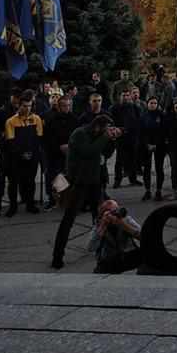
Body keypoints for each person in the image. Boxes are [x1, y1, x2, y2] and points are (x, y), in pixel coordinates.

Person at [51, 115, 118, 269]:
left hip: (95, 181)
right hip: (78, 183)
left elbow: (105, 153)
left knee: (101, 218)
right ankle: (57, 256)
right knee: (68, 219)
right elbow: (88, 151)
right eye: (106, 130)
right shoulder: (79, 134)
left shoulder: (99, 136)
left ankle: (101, 249)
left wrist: (112, 140)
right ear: (98, 127)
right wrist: (105, 138)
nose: (106, 133)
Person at [4, 91, 44, 217]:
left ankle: (30, 204)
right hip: (16, 157)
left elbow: (38, 139)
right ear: (18, 106)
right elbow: (11, 142)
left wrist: (34, 155)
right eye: (24, 106)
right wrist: (22, 154)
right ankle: (13, 206)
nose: (27, 108)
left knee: (30, 181)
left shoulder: (36, 119)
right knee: (13, 182)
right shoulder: (11, 121)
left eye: (29, 106)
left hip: (32, 156)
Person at [42, 95, 78, 211]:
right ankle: (52, 199)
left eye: (68, 105)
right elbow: (47, 137)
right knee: (53, 176)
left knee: (69, 177)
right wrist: (59, 147)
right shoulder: (51, 119)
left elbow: (77, 136)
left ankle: (67, 199)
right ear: (59, 106)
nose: (66, 108)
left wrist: (70, 146)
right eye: (64, 106)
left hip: (70, 153)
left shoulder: (74, 119)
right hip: (54, 153)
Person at [89, 198, 142, 274]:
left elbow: (144, 237)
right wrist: (103, 226)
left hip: (128, 255)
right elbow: (91, 248)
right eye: (112, 212)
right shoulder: (99, 225)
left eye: (117, 210)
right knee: (99, 271)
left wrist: (123, 225)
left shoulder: (125, 219)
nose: (116, 214)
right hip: (109, 260)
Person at [138, 97, 167, 201]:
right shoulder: (143, 116)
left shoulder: (162, 116)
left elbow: (164, 132)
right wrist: (147, 144)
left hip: (159, 146)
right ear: (147, 104)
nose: (153, 105)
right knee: (147, 169)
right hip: (146, 146)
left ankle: (158, 191)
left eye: (155, 103)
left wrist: (157, 144)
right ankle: (147, 191)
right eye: (151, 103)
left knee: (159, 169)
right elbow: (141, 132)